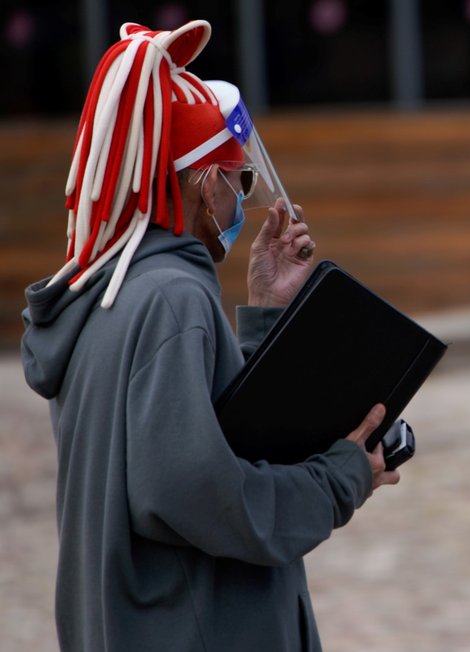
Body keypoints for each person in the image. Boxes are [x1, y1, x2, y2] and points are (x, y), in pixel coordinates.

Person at [20, 20, 399, 652]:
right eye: (239, 181)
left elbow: (200, 435)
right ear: (204, 185)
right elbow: (198, 494)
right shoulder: (173, 297)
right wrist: (338, 480)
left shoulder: (107, 293)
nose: (240, 202)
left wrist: (266, 313)